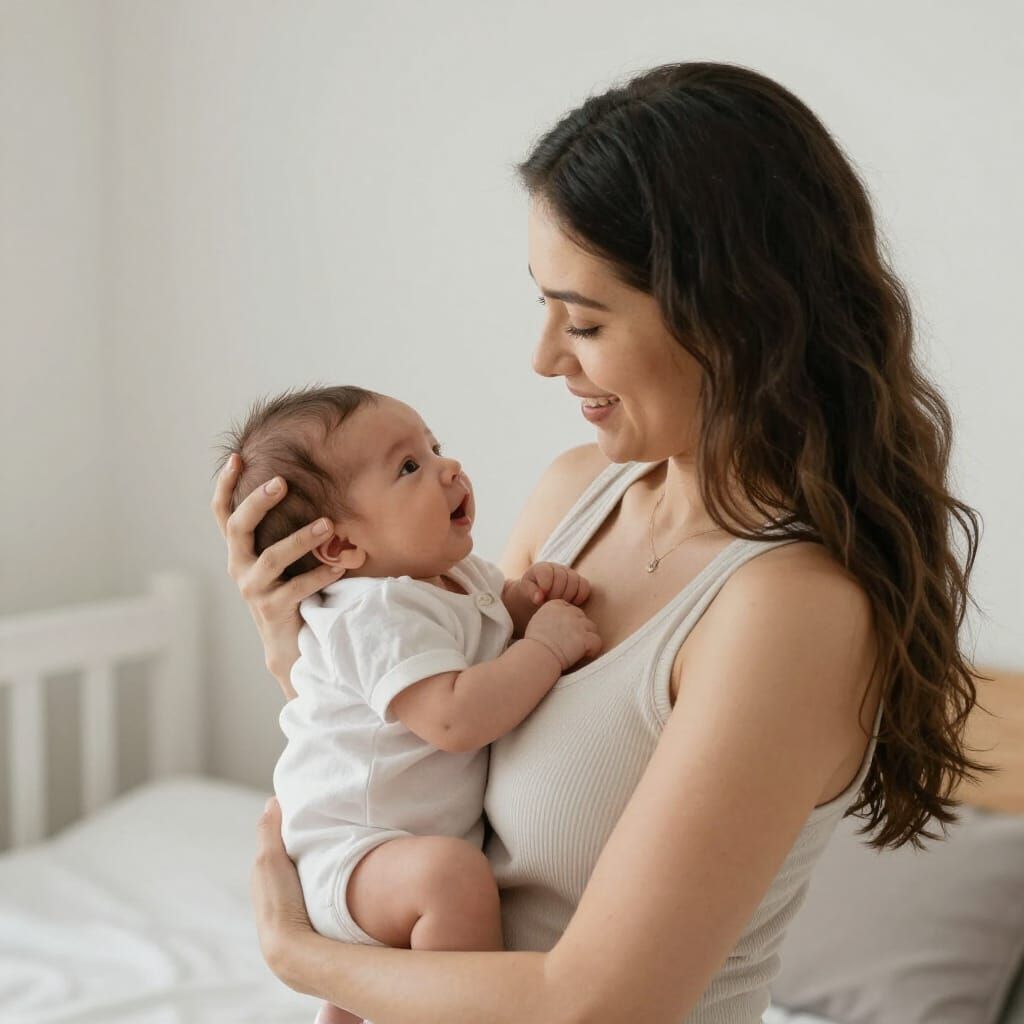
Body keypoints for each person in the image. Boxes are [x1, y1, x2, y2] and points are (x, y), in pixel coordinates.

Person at [211, 61, 986, 1023]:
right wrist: (296, 642)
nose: (544, 357)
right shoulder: (582, 493)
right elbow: (424, 743)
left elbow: (600, 1004)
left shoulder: (790, 610)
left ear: (734, 319)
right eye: (542, 305)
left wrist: (302, 956)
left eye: (583, 319)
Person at [215, 384, 600, 1024]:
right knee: (450, 879)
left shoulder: (460, 576)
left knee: (364, 989)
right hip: (352, 852)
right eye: (409, 467)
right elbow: (453, 717)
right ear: (339, 549)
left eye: (435, 447)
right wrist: (547, 650)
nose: (447, 468)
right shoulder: (374, 610)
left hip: (387, 852)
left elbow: (484, 635)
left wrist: (525, 606)